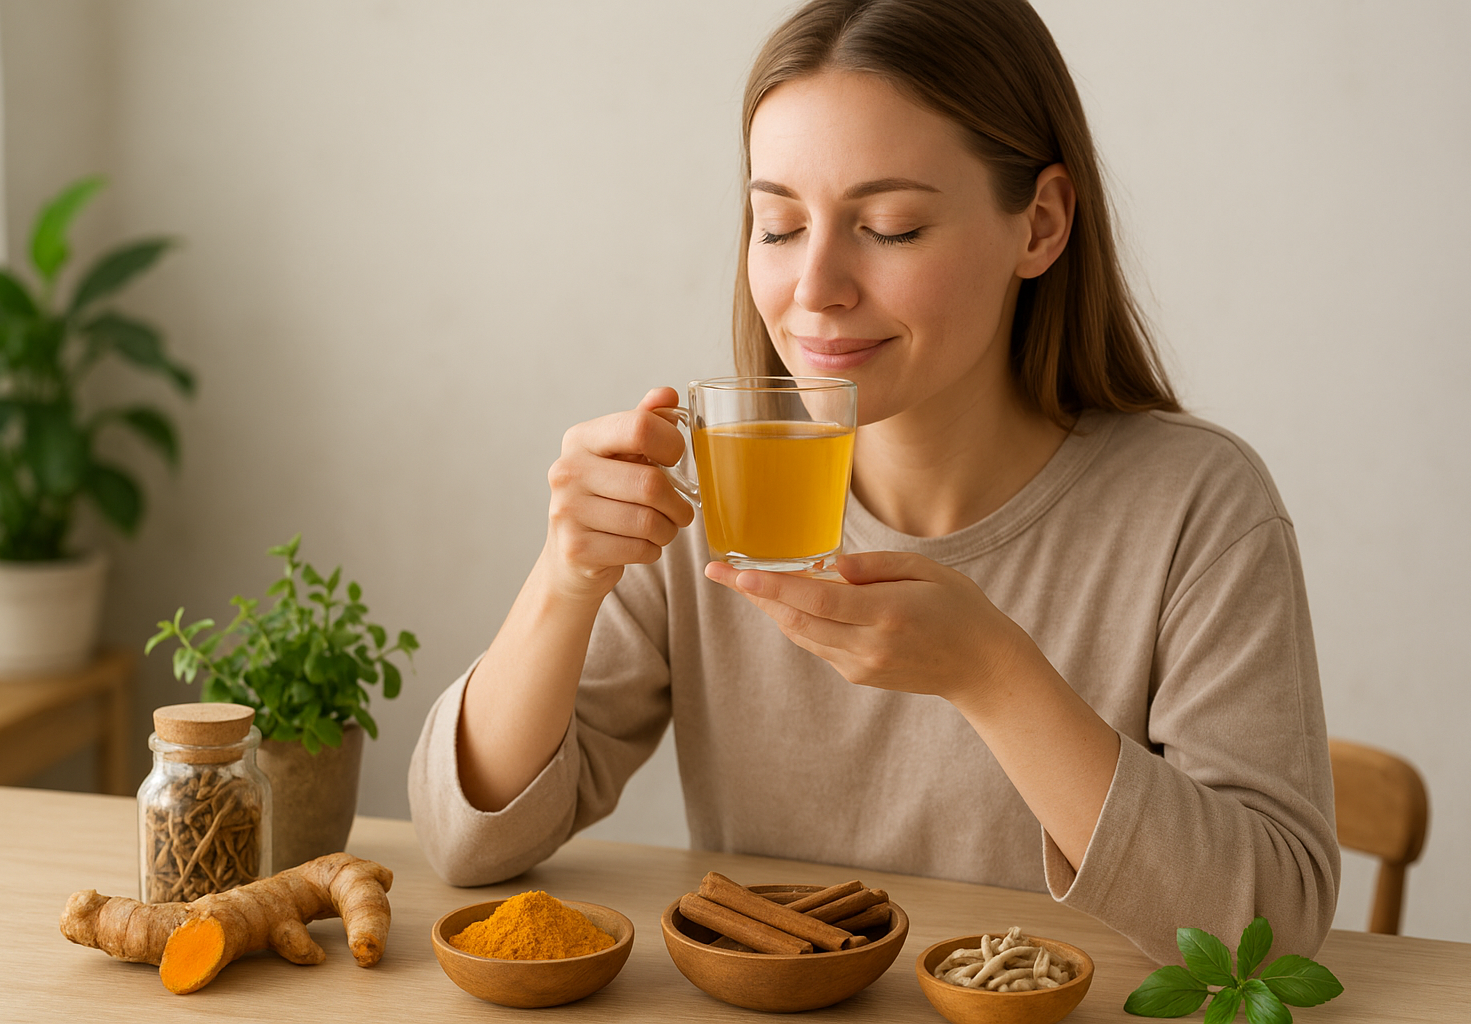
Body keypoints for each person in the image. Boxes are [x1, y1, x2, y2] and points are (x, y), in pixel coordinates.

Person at [409, 0, 1339, 963]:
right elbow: (468, 842)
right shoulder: (710, 489)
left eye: (889, 228)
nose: (815, 287)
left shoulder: (1197, 507)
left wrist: (992, 675)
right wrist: (563, 582)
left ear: (1042, 225)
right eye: (777, 225)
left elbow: (1271, 932)